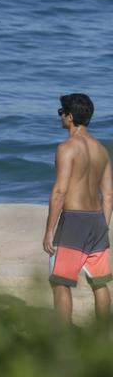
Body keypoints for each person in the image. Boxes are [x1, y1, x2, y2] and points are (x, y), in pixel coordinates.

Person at [43, 93, 113, 324]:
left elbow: (60, 191)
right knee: (99, 283)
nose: (60, 116)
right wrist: (103, 226)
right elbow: (109, 195)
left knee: (60, 281)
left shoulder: (66, 148)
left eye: (61, 112)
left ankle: (63, 339)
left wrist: (49, 230)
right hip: (98, 221)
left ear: (70, 117)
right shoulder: (102, 150)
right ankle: (102, 335)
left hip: (73, 221)